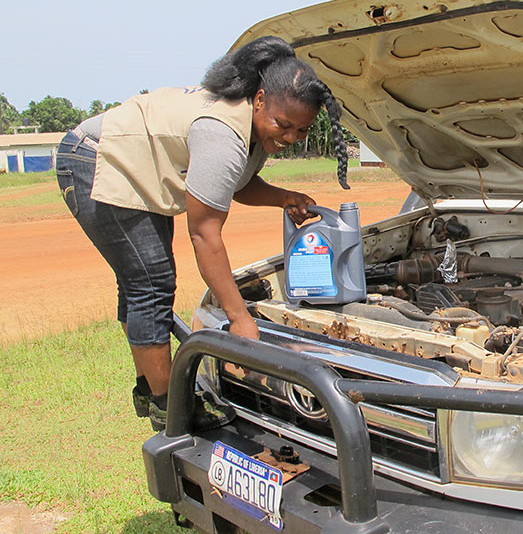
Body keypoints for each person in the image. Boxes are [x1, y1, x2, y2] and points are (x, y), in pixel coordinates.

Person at [55, 36, 349, 431]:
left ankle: (151, 388)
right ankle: (170, 407)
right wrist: (239, 316)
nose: (291, 137)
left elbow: (235, 183)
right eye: (284, 125)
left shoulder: (255, 125)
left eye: (302, 130)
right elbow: (204, 232)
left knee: (142, 284)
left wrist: (284, 197)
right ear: (259, 99)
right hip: (96, 160)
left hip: (135, 174)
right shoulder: (223, 131)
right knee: (151, 283)